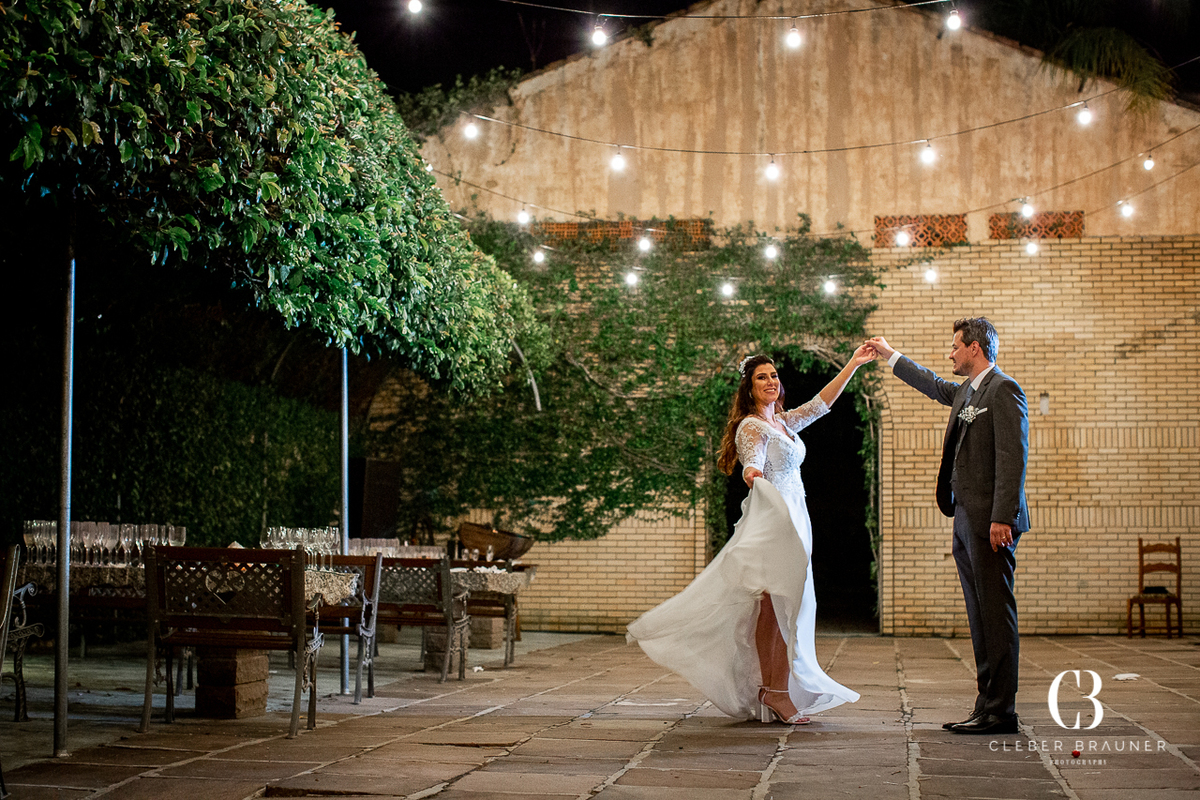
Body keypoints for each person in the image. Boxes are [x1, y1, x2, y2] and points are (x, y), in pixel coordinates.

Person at [627, 347, 874, 725]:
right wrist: (753, 476)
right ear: (749, 389)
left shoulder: (785, 423)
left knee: (787, 608)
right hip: (774, 517)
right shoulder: (750, 426)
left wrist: (853, 364)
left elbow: (821, 404)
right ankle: (775, 692)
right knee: (774, 609)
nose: (771, 382)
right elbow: (752, 462)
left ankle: (776, 688)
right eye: (762, 378)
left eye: (774, 376)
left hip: (796, 517)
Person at [867, 318, 1029, 735]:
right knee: (979, 615)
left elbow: (1013, 458)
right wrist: (890, 355)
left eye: (955, 346)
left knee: (996, 614)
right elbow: (932, 383)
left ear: (974, 348)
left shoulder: (1003, 389)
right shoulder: (967, 393)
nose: (951, 353)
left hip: (991, 523)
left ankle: (1001, 711)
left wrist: (1001, 517)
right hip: (964, 518)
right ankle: (986, 704)